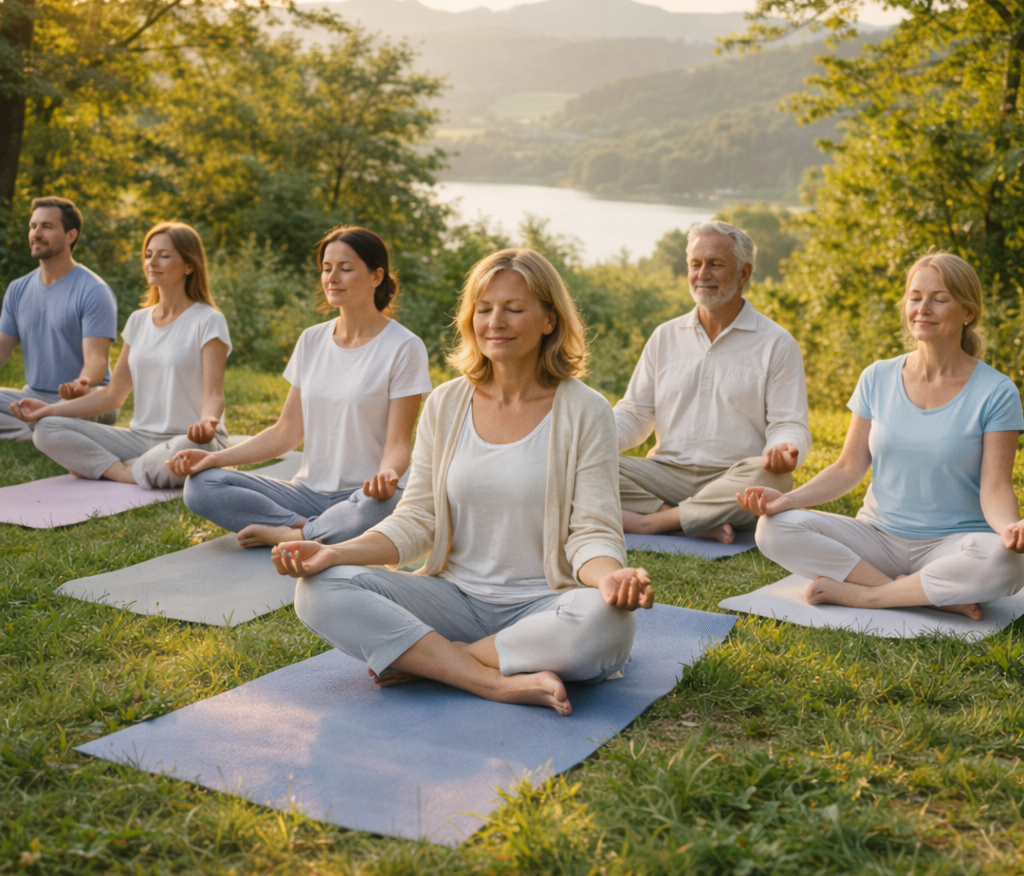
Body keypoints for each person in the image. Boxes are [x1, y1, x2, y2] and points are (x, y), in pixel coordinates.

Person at [272, 248, 654, 715]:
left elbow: (592, 530)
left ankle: (429, 661)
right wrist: (337, 552)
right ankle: (489, 680)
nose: (496, 322)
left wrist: (609, 575)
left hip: (544, 604)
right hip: (451, 599)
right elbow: (416, 521)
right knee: (319, 587)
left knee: (606, 622)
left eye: (514, 309)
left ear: (549, 320)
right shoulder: (446, 403)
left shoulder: (586, 409)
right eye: (485, 309)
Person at [741, 252, 1024, 620]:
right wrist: (787, 501)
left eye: (940, 298)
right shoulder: (877, 377)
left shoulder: (997, 392)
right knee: (772, 528)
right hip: (876, 536)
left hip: (951, 546)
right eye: (915, 296)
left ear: (968, 312)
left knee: (1008, 562)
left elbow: (996, 488)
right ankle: (918, 593)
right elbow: (848, 467)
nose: (923, 308)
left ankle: (867, 596)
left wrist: (1011, 530)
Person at [168, 226, 433, 547]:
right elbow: (286, 431)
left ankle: (293, 535)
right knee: (200, 486)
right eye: (326, 268)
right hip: (306, 493)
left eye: (346, 269)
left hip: (366, 496)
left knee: (388, 507)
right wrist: (213, 459)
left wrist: (387, 477)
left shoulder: (404, 346)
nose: (332, 278)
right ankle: (304, 528)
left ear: (376, 277)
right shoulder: (312, 339)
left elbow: (399, 444)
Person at [614, 220, 811, 544]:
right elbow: (635, 413)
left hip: (733, 479)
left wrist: (786, 448)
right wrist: (592, 438)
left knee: (773, 479)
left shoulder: (777, 343)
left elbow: (789, 424)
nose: (702, 274)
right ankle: (682, 520)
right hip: (665, 474)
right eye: (696, 264)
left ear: (743, 273)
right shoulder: (665, 336)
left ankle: (651, 522)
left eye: (715, 264)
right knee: (580, 464)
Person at [11, 222, 231, 489]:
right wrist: (48, 409)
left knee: (189, 450)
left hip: (192, 438)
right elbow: (113, 395)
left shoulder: (208, 320)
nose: (152, 261)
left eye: (164, 255)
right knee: (47, 427)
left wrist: (207, 423)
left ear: (189, 265)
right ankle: (128, 472)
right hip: (140, 438)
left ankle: (111, 467)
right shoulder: (138, 321)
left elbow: (213, 395)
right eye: (149, 254)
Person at [0, 197, 118, 442]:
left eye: (47, 227)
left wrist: (81, 384)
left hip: (85, 400)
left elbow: (96, 360)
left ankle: (40, 427)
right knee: (50, 422)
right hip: (33, 395)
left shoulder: (94, 290)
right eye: (33, 227)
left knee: (75, 414)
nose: (36, 233)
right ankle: (41, 428)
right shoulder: (18, 289)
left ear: (70, 235)